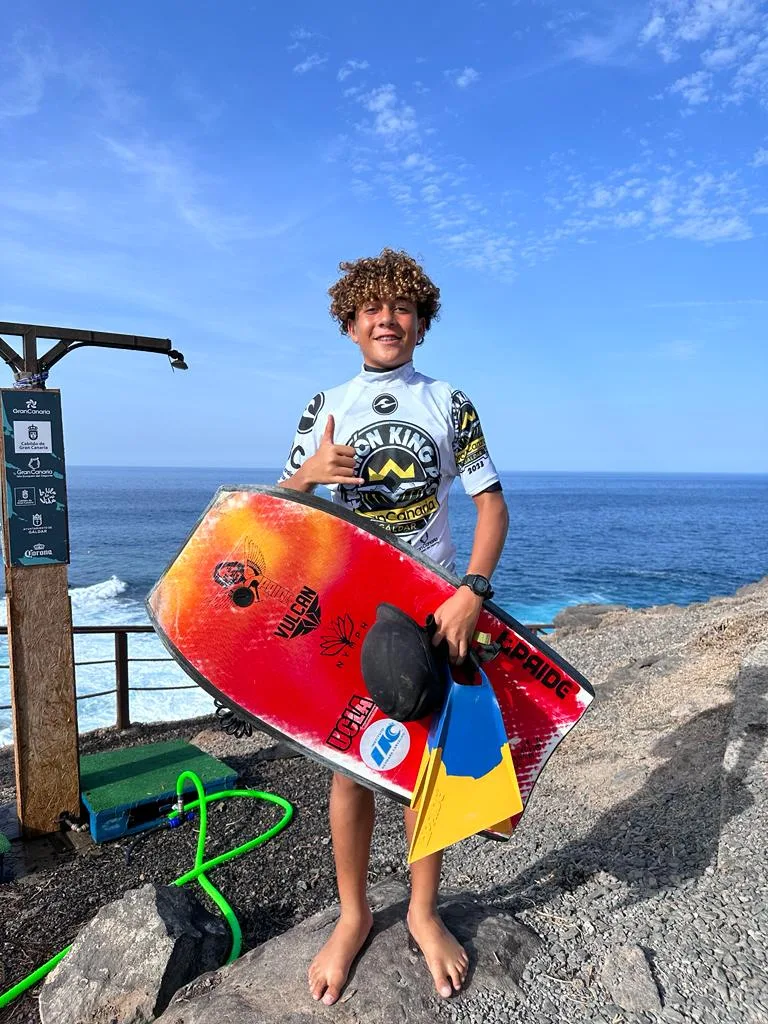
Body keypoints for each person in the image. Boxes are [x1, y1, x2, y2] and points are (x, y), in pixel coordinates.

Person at [278, 248, 509, 1005]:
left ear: (421, 324)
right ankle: (352, 914)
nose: (387, 319)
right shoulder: (326, 404)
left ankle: (421, 909)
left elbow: (490, 507)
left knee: (423, 768)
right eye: (371, 309)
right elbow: (280, 511)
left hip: (434, 605)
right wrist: (309, 477)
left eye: (402, 308)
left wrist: (472, 590)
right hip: (349, 608)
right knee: (348, 767)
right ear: (349, 325)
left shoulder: (450, 402)